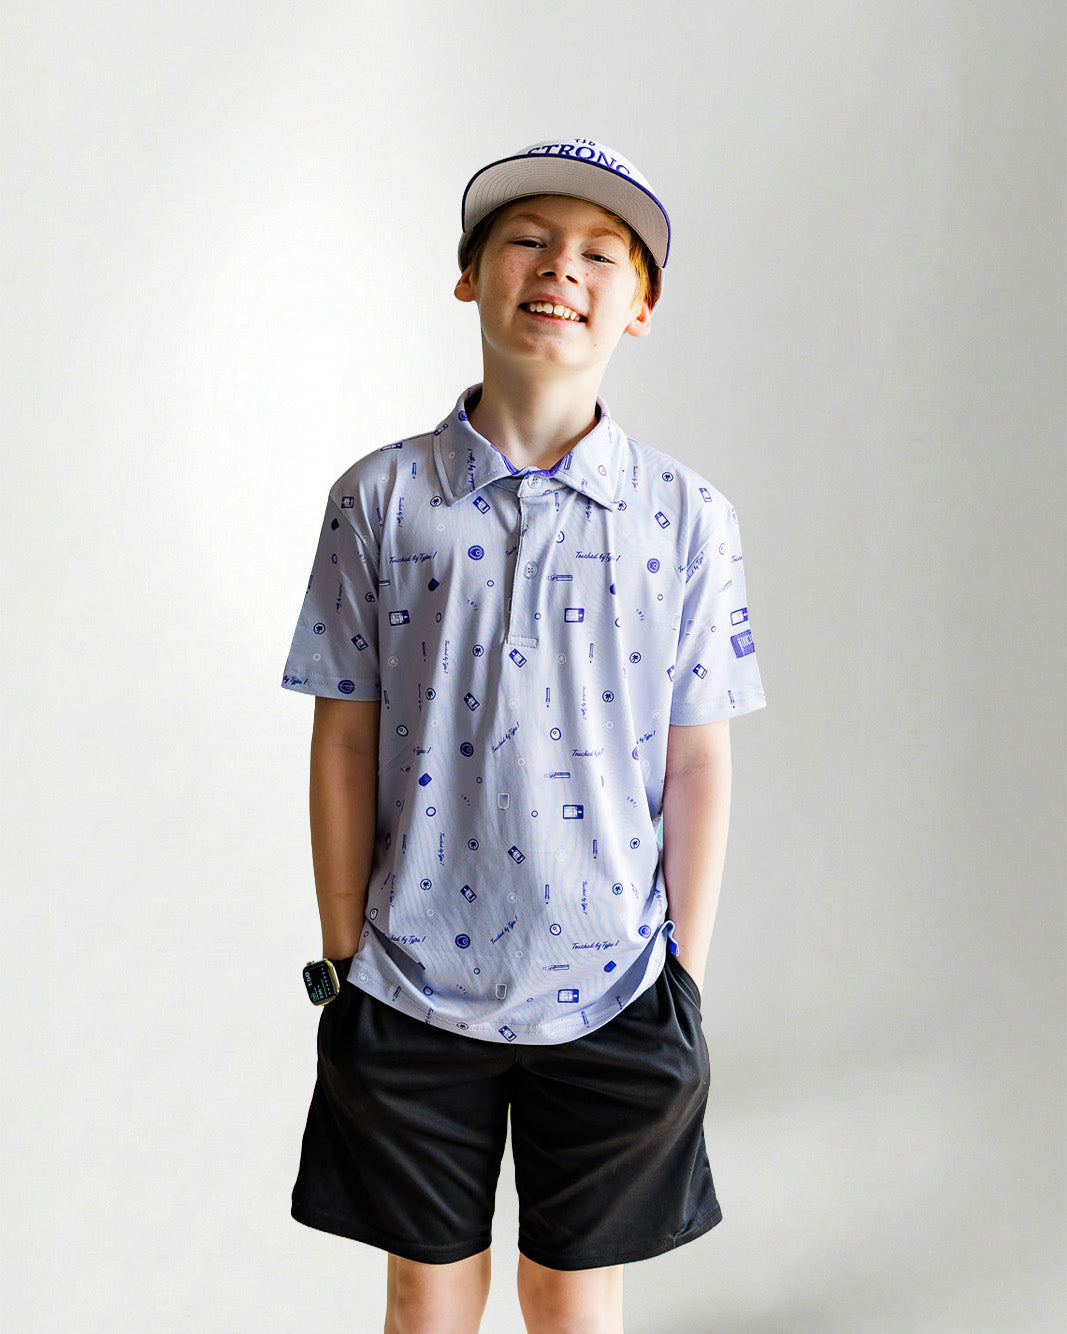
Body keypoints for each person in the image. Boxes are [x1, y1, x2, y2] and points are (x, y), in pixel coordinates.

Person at [281, 137, 766, 1334]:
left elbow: (696, 757)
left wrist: (684, 977)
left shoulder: (686, 516)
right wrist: (344, 956)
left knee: (571, 1294)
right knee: (425, 1293)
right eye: (529, 241)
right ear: (469, 277)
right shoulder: (378, 498)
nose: (561, 269)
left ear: (639, 308)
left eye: (601, 254)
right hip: (407, 982)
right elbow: (343, 739)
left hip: (616, 986)